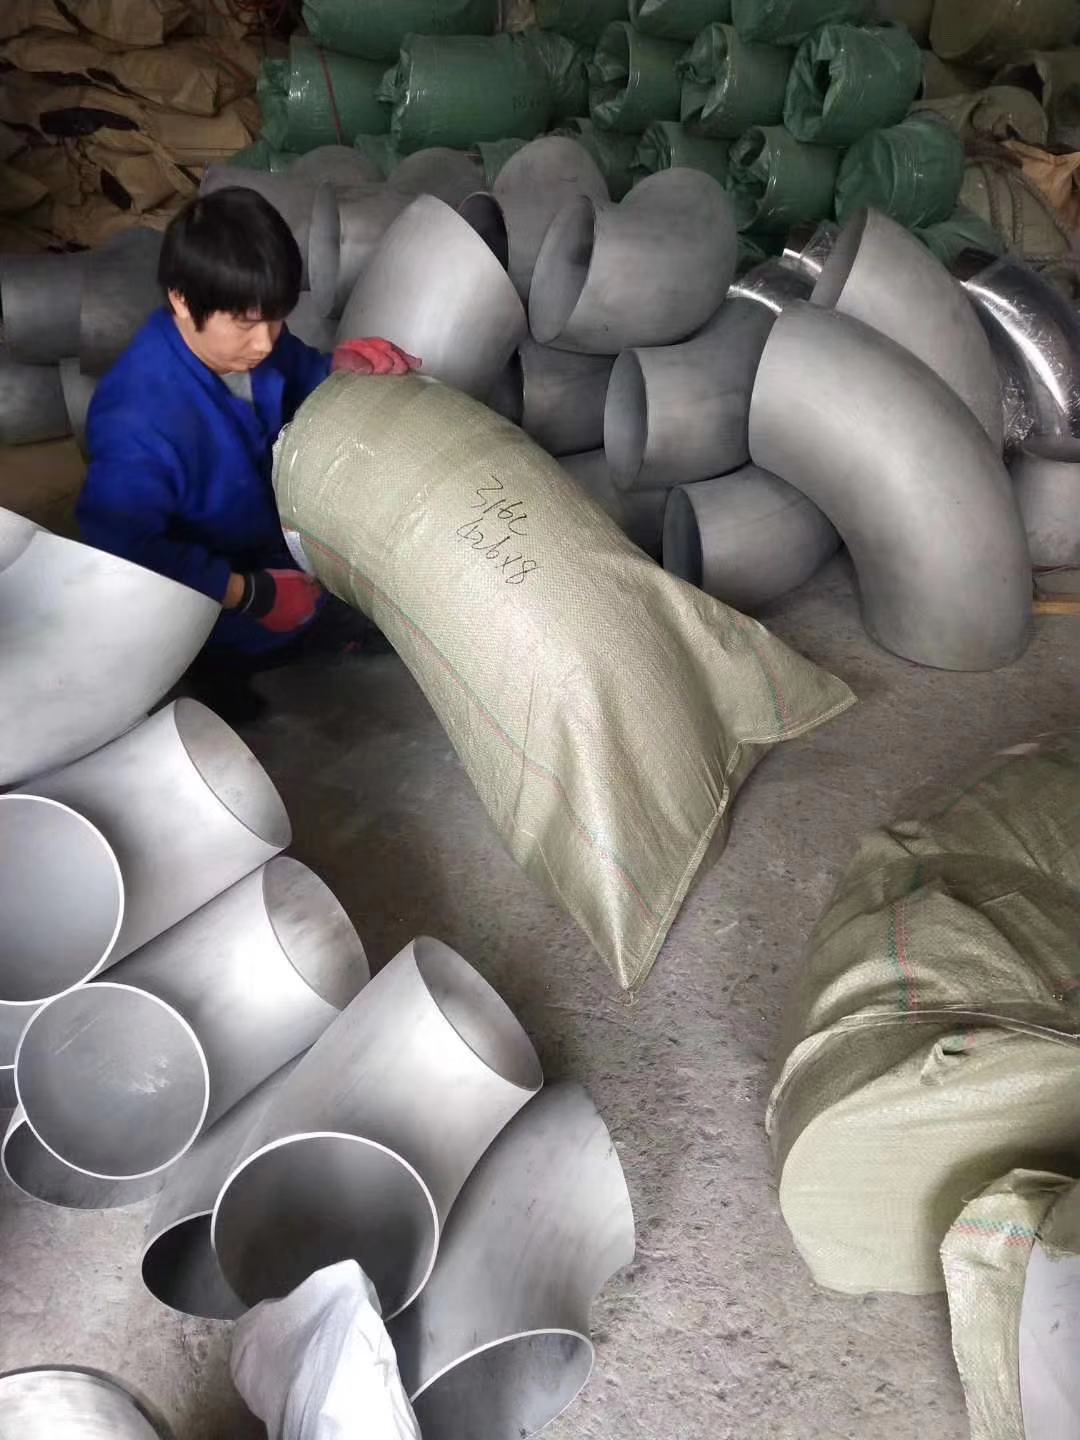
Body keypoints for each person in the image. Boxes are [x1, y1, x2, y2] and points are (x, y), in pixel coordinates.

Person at [77, 186, 418, 721]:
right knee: (265, 644)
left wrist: (336, 367)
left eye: (276, 319)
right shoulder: (139, 420)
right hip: (202, 581)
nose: (264, 342)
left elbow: (297, 368)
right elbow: (123, 551)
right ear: (182, 300)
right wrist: (250, 594)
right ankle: (214, 663)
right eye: (245, 323)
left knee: (375, 597)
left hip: (265, 538)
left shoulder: (257, 346)